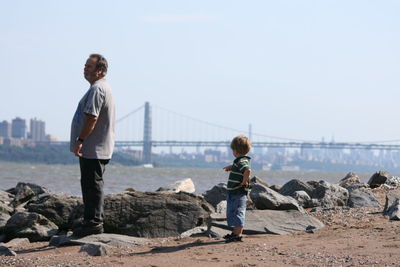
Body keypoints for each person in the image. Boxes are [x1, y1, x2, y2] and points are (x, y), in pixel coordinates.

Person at [70, 54, 115, 237]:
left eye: (89, 66)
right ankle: (91, 221)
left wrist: (80, 140)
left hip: (94, 147)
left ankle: (93, 224)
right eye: (85, 65)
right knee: (90, 184)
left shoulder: (98, 89)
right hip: (95, 147)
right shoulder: (101, 87)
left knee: (92, 185)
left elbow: (92, 118)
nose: (85, 68)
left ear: (100, 70)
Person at [223, 135, 252, 242]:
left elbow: (247, 170)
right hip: (234, 192)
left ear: (235, 151)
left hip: (238, 192)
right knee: (233, 212)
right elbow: (241, 166)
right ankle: (235, 233)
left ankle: (238, 234)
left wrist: (244, 182)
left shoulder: (241, 161)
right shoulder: (239, 161)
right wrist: (232, 167)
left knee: (238, 212)